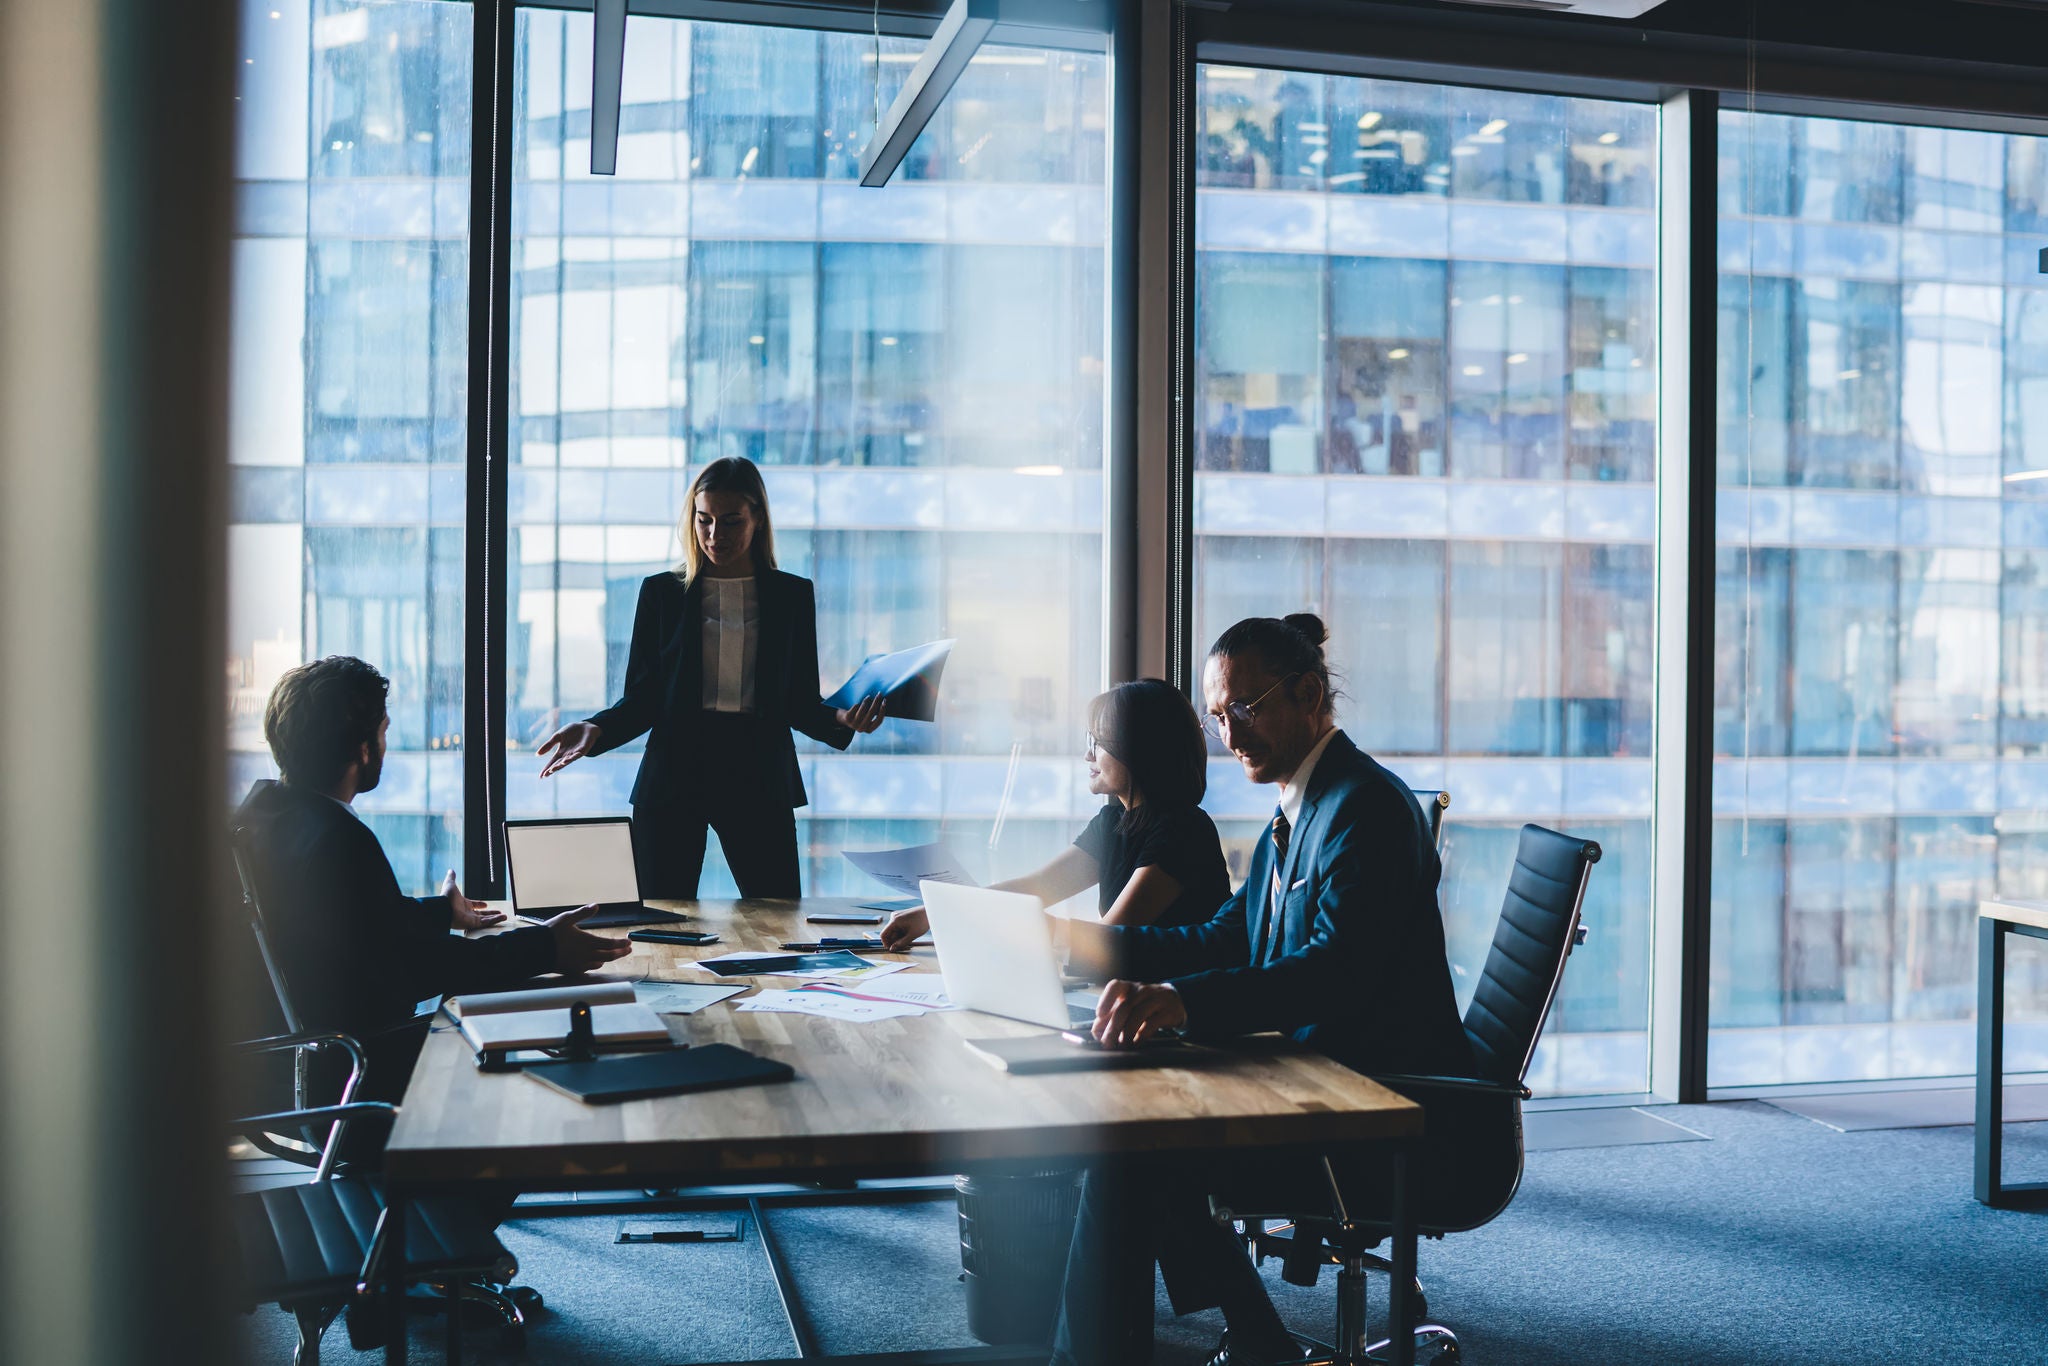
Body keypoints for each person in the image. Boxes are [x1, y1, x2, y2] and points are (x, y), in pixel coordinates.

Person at [1048, 614, 1477, 1366]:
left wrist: (1184, 1002)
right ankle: (1256, 1341)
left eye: (1244, 709)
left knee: (1132, 1149)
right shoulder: (1300, 809)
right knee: (1133, 1134)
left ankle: (1234, 1344)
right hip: (1313, 1075)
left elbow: (1332, 973)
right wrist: (1082, 946)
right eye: (1218, 716)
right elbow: (1227, 936)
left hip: (1378, 1106)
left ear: (1309, 695)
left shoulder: (1365, 811)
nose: (1229, 735)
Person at [234, 656, 631, 1116]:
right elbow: (417, 966)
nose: (386, 744)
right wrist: (546, 946)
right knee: (543, 1031)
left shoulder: (264, 818)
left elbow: (352, 924)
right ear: (363, 750)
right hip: (352, 1075)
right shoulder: (337, 839)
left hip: (278, 1070)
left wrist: (442, 911)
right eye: (383, 731)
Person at [535, 456, 886, 898]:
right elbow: (644, 698)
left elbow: (796, 701)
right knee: (662, 920)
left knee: (777, 919)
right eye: (704, 520)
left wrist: (842, 720)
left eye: (732, 521)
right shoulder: (661, 593)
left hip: (759, 774)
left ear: (758, 519)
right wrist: (596, 728)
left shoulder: (792, 596)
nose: (715, 535)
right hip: (674, 773)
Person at [879, 679, 1229, 951]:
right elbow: (1036, 887)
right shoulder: (1112, 822)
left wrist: (1034, 928)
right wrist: (933, 913)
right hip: (1129, 992)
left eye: (1099, 742)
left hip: (1172, 1005)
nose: (1088, 755)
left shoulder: (1184, 831)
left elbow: (1111, 938)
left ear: (1140, 750)